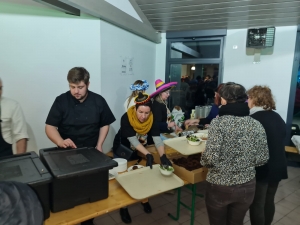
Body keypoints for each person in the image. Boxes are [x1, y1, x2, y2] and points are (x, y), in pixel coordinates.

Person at [45, 67, 115, 225]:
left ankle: (88, 220)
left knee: (90, 188)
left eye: (80, 87)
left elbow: (105, 124)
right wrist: (59, 141)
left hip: (90, 150)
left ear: (88, 84)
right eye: (72, 87)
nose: (76, 91)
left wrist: (99, 144)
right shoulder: (61, 101)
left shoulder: (98, 101)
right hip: (66, 152)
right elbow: (50, 127)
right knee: (68, 191)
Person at [200, 82, 269, 225]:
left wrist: (203, 158)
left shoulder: (218, 123)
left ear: (224, 99)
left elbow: (210, 159)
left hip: (220, 186)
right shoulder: (256, 124)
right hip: (247, 186)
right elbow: (263, 158)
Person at [113, 92, 172, 224]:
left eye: (146, 113)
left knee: (143, 176)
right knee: (125, 178)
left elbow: (157, 139)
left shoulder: (152, 119)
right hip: (124, 150)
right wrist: (148, 154)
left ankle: (145, 200)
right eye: (140, 112)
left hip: (142, 149)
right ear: (135, 108)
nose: (143, 116)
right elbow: (133, 141)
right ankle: (124, 207)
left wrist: (163, 156)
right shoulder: (126, 117)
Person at [247, 86, 288, 225]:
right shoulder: (276, 116)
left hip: (262, 168)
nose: (247, 100)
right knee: (269, 201)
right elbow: (283, 135)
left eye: (249, 97)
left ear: (255, 99)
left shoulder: (252, 119)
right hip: (278, 165)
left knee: (257, 203)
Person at [0, 78, 28, 157]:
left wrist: (20, 161)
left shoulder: (12, 106)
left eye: (0, 88)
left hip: (4, 158)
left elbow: (21, 136)